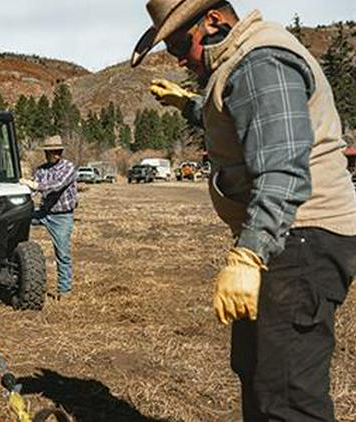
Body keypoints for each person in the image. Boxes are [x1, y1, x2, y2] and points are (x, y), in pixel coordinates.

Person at [131, 1, 356, 420]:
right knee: (258, 373)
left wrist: (250, 252)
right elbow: (247, 116)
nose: (179, 57)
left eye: (182, 43)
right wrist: (189, 105)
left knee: (287, 395)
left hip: (299, 238)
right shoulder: (241, 65)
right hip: (289, 237)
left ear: (214, 21)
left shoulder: (259, 60)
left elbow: (283, 167)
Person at [20, 135, 77, 298]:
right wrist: (25, 185)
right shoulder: (41, 170)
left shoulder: (68, 168)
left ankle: (64, 290)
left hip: (62, 216)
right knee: (18, 221)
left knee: (62, 253)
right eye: (52, 151)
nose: (55, 154)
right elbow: (34, 189)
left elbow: (57, 185)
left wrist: (36, 185)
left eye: (58, 151)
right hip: (44, 212)